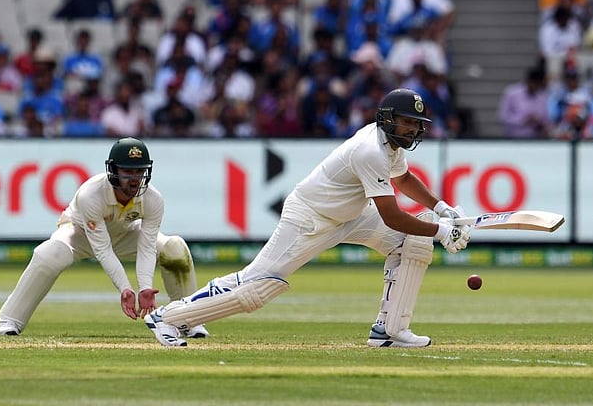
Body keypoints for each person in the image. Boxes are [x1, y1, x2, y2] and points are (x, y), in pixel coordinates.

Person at [144, 88, 471, 348]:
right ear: (387, 119)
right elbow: (392, 215)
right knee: (258, 286)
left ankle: (390, 331)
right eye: (407, 122)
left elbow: (403, 180)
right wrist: (440, 231)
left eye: (416, 124)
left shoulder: (391, 144)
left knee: (411, 243)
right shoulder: (370, 150)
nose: (413, 129)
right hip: (311, 217)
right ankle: (169, 317)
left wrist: (441, 207)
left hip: (352, 215)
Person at [0, 138, 209, 339]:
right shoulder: (91, 194)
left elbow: (147, 247)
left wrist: (144, 288)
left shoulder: (153, 199)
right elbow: (102, 249)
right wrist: (125, 288)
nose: (134, 179)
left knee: (175, 248)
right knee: (50, 254)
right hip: (79, 233)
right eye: (127, 171)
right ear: (113, 171)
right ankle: (10, 320)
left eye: (139, 171)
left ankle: (189, 319)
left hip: (124, 233)